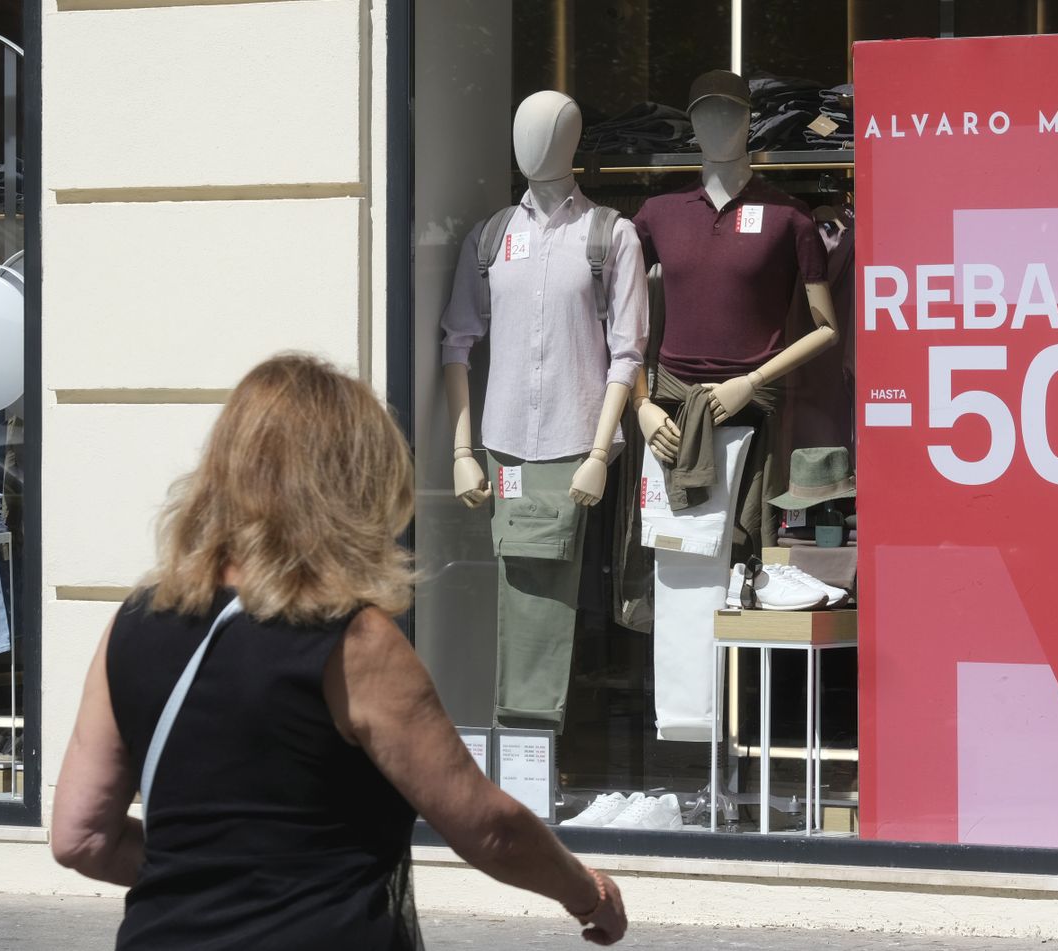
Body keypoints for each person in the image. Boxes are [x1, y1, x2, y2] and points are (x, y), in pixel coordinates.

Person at [52, 353, 627, 949]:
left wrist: (206, 879)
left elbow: (80, 837)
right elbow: (487, 826)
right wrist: (588, 892)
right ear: (351, 486)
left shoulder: (134, 623)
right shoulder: (353, 641)